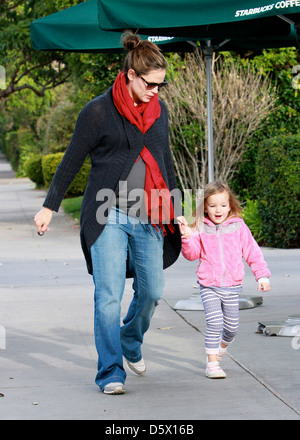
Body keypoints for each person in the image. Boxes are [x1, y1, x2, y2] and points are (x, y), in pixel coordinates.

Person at [34, 31, 181, 395]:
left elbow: (165, 160)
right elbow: (72, 160)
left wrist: (179, 209)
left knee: (152, 292)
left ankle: (130, 339)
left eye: (161, 85)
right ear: (131, 74)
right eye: (150, 84)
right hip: (107, 214)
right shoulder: (98, 111)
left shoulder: (158, 112)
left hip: (150, 214)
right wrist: (50, 206)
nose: (156, 92)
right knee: (109, 296)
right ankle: (111, 372)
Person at [177, 181, 270, 379]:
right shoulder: (201, 227)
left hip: (232, 286)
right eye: (212, 206)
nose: (218, 210)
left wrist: (262, 275)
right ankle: (212, 364)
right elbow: (192, 254)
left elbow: (252, 252)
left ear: (230, 205)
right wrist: (186, 237)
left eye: (223, 205)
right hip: (209, 285)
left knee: (231, 329)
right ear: (205, 207)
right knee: (214, 323)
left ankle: (221, 348)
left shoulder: (238, 227)